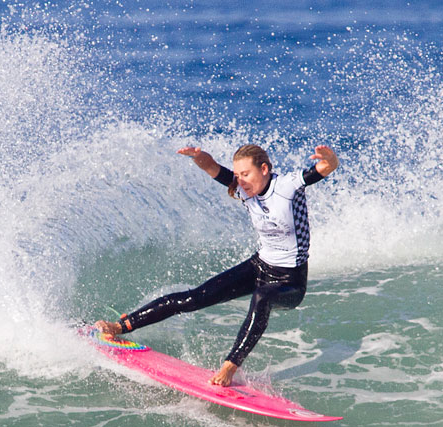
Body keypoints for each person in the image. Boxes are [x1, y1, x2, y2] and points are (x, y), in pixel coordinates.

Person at [93, 143, 339, 386]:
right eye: (237, 175)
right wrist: (199, 157)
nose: (240, 181)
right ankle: (121, 326)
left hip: (290, 281)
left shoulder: (287, 185)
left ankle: (230, 366)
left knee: (262, 298)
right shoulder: (243, 188)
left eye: (246, 174)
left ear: (264, 169)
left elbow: (324, 168)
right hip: (259, 266)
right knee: (195, 297)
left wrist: (329, 159)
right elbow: (212, 167)